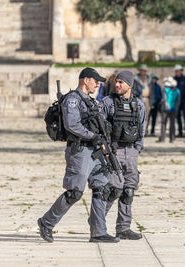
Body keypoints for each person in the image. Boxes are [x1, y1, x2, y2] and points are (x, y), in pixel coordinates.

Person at [37, 67, 120, 243]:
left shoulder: (90, 101)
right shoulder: (73, 100)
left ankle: (98, 232)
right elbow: (72, 125)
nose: (98, 84)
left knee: (102, 189)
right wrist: (93, 136)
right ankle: (46, 222)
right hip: (80, 151)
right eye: (95, 81)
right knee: (74, 192)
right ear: (85, 80)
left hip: (96, 151)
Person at [99, 70, 146, 240]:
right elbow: (99, 128)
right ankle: (97, 223)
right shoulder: (107, 103)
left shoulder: (139, 105)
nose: (117, 85)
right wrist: (106, 150)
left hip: (131, 152)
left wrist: (137, 149)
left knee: (128, 191)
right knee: (113, 189)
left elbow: (142, 127)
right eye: (116, 82)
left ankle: (123, 227)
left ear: (130, 84)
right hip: (114, 151)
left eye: (120, 82)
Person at [158, 77, 181, 143]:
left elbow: (164, 100)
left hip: (165, 109)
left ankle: (162, 139)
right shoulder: (177, 90)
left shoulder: (165, 89)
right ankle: (172, 139)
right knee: (172, 124)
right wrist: (175, 107)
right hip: (173, 109)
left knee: (164, 124)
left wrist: (168, 107)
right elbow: (178, 101)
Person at [134, 64, 152, 135]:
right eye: (142, 70)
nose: (143, 72)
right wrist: (137, 94)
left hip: (147, 99)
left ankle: (146, 130)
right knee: (139, 115)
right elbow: (133, 89)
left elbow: (152, 90)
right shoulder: (136, 79)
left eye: (144, 71)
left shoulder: (149, 79)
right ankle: (139, 131)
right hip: (140, 99)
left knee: (147, 116)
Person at [173, 64, 185, 137]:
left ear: (181, 71)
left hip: (184, 101)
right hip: (176, 101)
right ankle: (180, 131)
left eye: (178, 71)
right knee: (178, 117)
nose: (177, 72)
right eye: (176, 71)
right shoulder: (173, 79)